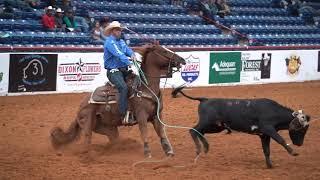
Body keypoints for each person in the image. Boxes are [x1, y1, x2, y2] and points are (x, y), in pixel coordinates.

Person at [103, 21, 137, 124]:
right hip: (113, 71)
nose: (119, 32)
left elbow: (127, 50)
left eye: (120, 30)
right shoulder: (110, 42)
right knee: (123, 87)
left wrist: (132, 55)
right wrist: (129, 62)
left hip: (123, 70)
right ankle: (122, 114)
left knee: (138, 81)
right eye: (117, 30)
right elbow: (119, 54)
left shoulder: (121, 41)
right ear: (112, 31)